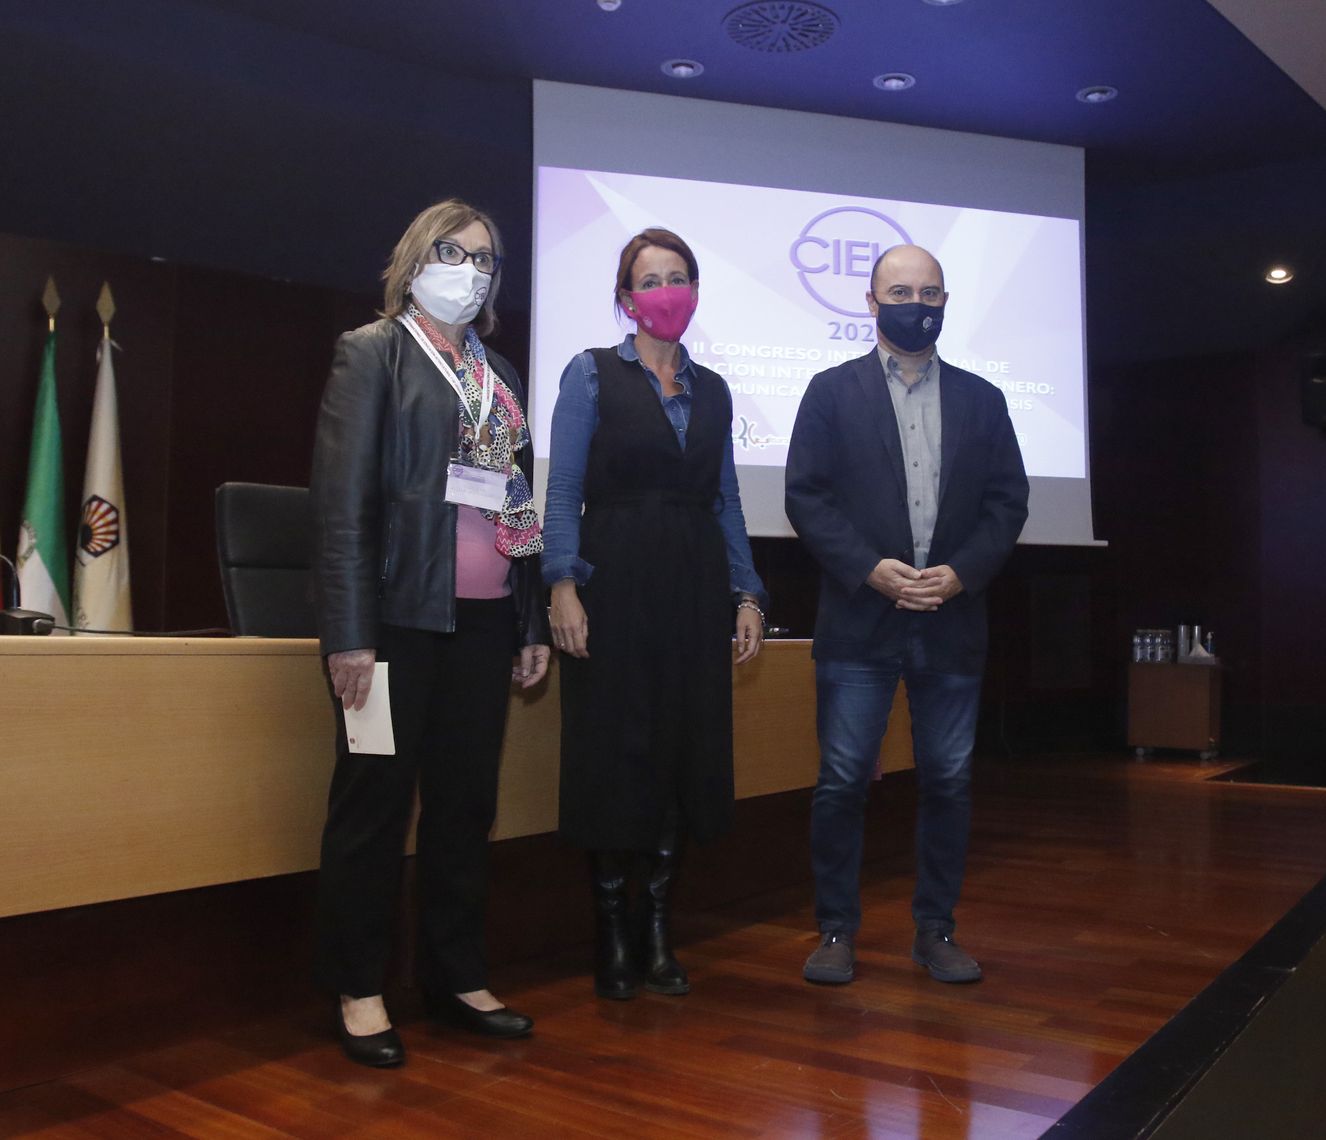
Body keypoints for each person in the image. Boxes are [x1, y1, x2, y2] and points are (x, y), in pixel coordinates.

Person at [310, 199, 550, 1067]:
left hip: (482, 627)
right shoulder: (372, 352)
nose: (470, 270)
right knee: (373, 807)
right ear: (415, 259)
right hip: (392, 629)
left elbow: (517, 506)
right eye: (454, 252)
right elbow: (341, 508)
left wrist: (528, 618)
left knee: (464, 808)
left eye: (485, 259)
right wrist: (349, 636)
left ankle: (455, 979)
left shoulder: (500, 373)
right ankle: (358, 987)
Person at [785, 243, 1028, 986]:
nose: (914, 305)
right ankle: (835, 931)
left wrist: (961, 575)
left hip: (951, 622)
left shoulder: (984, 400)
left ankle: (936, 930)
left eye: (928, 293)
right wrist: (869, 568)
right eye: (899, 292)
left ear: (945, 302)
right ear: (870, 302)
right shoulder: (830, 393)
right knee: (842, 781)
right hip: (860, 619)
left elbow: (1007, 503)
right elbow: (806, 497)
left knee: (948, 781)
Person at [544, 227, 766, 1001]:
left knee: (680, 752)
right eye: (650, 279)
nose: (666, 290)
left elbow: (725, 500)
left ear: (694, 291)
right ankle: (610, 930)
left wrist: (747, 593)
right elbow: (562, 488)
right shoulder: (591, 373)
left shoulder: (716, 390)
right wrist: (561, 583)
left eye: (678, 277)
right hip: (614, 584)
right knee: (615, 753)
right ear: (626, 298)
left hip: (694, 588)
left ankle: (658, 928)